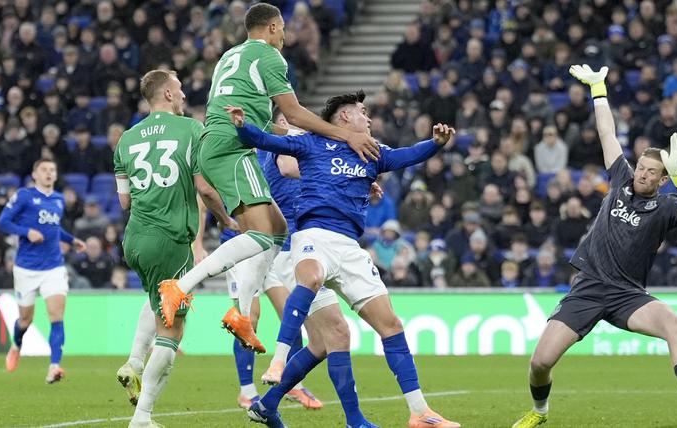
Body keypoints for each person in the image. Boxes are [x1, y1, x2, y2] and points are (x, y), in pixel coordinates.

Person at [512, 65, 677, 428]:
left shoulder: (666, 205)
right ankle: (539, 413)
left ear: (663, 179)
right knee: (540, 362)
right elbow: (607, 132)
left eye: (653, 172)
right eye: (642, 168)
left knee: (675, 325)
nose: (643, 173)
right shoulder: (619, 177)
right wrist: (599, 89)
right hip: (588, 288)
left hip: (628, 295)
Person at [225, 91, 459, 428]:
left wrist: (435, 144)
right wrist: (243, 126)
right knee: (314, 285)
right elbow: (269, 143)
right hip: (307, 238)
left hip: (349, 246)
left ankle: (418, 412)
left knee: (371, 328)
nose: (370, 118)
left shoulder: (370, 153)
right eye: (363, 112)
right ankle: (277, 363)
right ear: (345, 118)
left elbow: (406, 156)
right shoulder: (308, 141)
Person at [156, 2, 379, 354]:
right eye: (284, 29)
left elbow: (271, 121)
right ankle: (180, 287)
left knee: (275, 229)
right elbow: (294, 112)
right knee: (261, 233)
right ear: (273, 27)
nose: (286, 36)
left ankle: (242, 313)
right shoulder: (271, 58)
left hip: (220, 145)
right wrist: (344, 137)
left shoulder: (231, 56)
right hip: (231, 148)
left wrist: (290, 135)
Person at [112, 69, 235, 427]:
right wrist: (226, 221)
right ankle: (143, 416)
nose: (182, 95)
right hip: (170, 239)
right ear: (166, 94)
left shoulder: (125, 139)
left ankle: (135, 360)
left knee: (155, 297)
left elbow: (123, 201)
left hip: (135, 239)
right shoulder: (191, 130)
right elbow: (207, 190)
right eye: (179, 90)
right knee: (172, 332)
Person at [0, 158, 87, 383]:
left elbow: (54, 230)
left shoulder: (58, 199)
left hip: (53, 267)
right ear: (34, 174)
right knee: (25, 320)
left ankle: (54, 366)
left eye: (52, 170)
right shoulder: (24, 196)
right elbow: (3, 222)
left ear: (56, 176)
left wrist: (72, 239)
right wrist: (26, 232)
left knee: (56, 316)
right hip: (26, 268)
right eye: (44, 170)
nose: (49, 173)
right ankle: (17, 344)